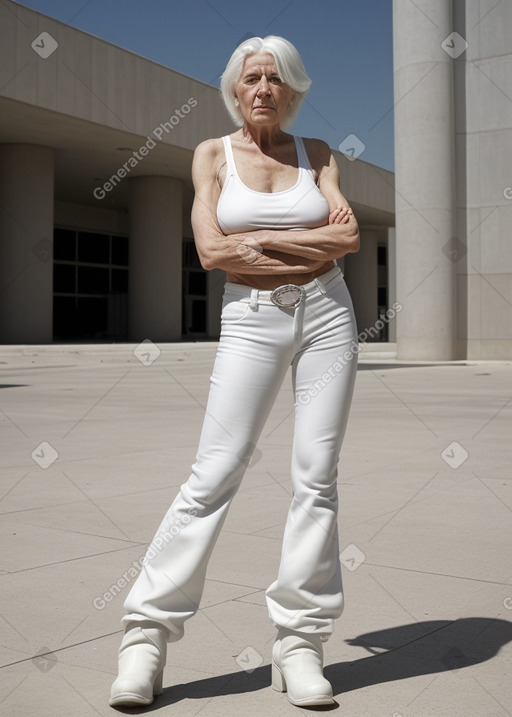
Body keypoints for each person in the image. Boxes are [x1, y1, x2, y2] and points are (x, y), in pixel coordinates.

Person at [110, 35, 359, 709]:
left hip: (329, 314)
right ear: (235, 86)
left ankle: (300, 641)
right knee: (214, 471)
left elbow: (348, 239)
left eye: (277, 79)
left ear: (294, 88)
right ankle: (146, 635)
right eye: (252, 78)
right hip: (251, 317)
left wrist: (267, 239)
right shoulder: (212, 155)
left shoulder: (320, 156)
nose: (264, 89)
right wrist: (295, 243)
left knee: (317, 476)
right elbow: (213, 250)